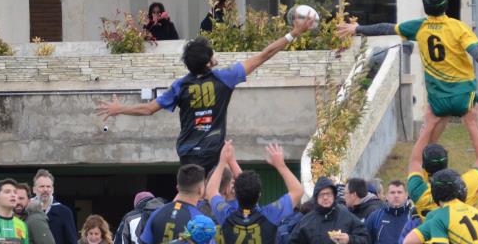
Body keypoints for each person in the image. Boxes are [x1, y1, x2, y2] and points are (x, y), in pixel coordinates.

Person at [337, 0, 478, 211]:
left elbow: (386, 27)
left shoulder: (419, 27)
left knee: (426, 150)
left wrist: (358, 28)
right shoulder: (458, 28)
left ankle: (423, 194)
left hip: (438, 101)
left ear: (425, 6)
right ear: (446, 4)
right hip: (463, 98)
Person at [97, 14, 316, 172]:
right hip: (213, 151)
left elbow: (148, 109)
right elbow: (264, 55)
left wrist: (120, 109)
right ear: (209, 61)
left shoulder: (180, 86)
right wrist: (293, 34)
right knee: (227, 191)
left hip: (188, 152)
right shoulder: (225, 78)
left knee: (192, 197)